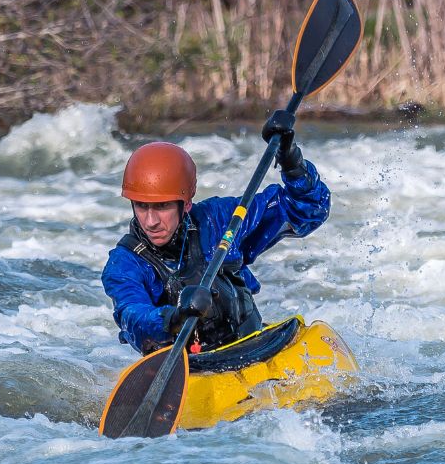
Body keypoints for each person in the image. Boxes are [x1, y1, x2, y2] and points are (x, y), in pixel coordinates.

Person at [101, 111, 331, 355]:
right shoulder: (124, 263)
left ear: (186, 203)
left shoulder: (219, 220)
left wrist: (291, 161)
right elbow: (131, 315)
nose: (150, 221)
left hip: (252, 348)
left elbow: (309, 210)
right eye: (141, 206)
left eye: (162, 207)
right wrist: (174, 317)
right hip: (189, 368)